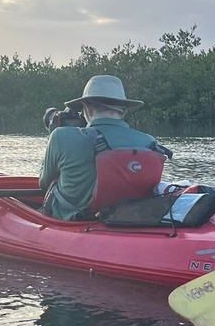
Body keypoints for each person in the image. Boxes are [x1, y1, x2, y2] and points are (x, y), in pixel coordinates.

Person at [39, 75, 171, 220]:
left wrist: (52, 137)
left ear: (88, 108)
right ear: (124, 111)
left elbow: (44, 183)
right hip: (126, 221)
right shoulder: (149, 141)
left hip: (73, 222)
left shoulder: (60, 136)